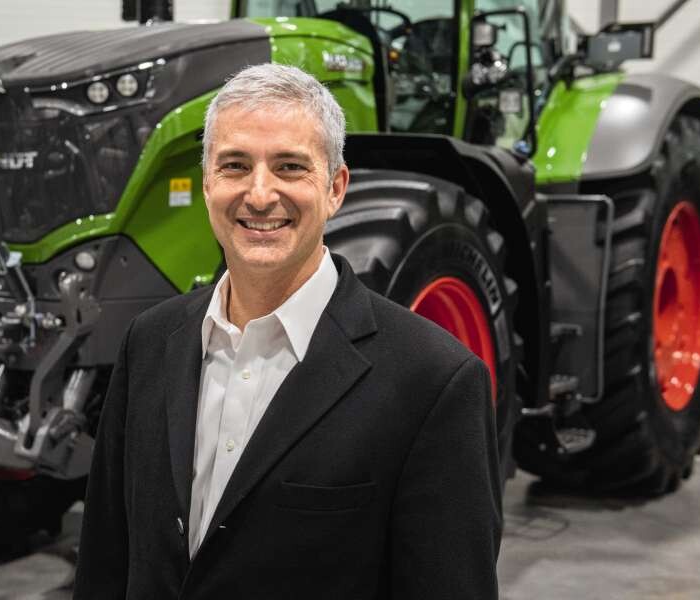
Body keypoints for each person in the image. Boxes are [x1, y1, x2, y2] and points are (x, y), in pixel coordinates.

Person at [74, 63, 501, 599]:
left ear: (335, 188)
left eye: (290, 167)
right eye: (234, 165)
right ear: (207, 184)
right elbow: (105, 562)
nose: (259, 195)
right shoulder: (150, 342)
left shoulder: (434, 382)